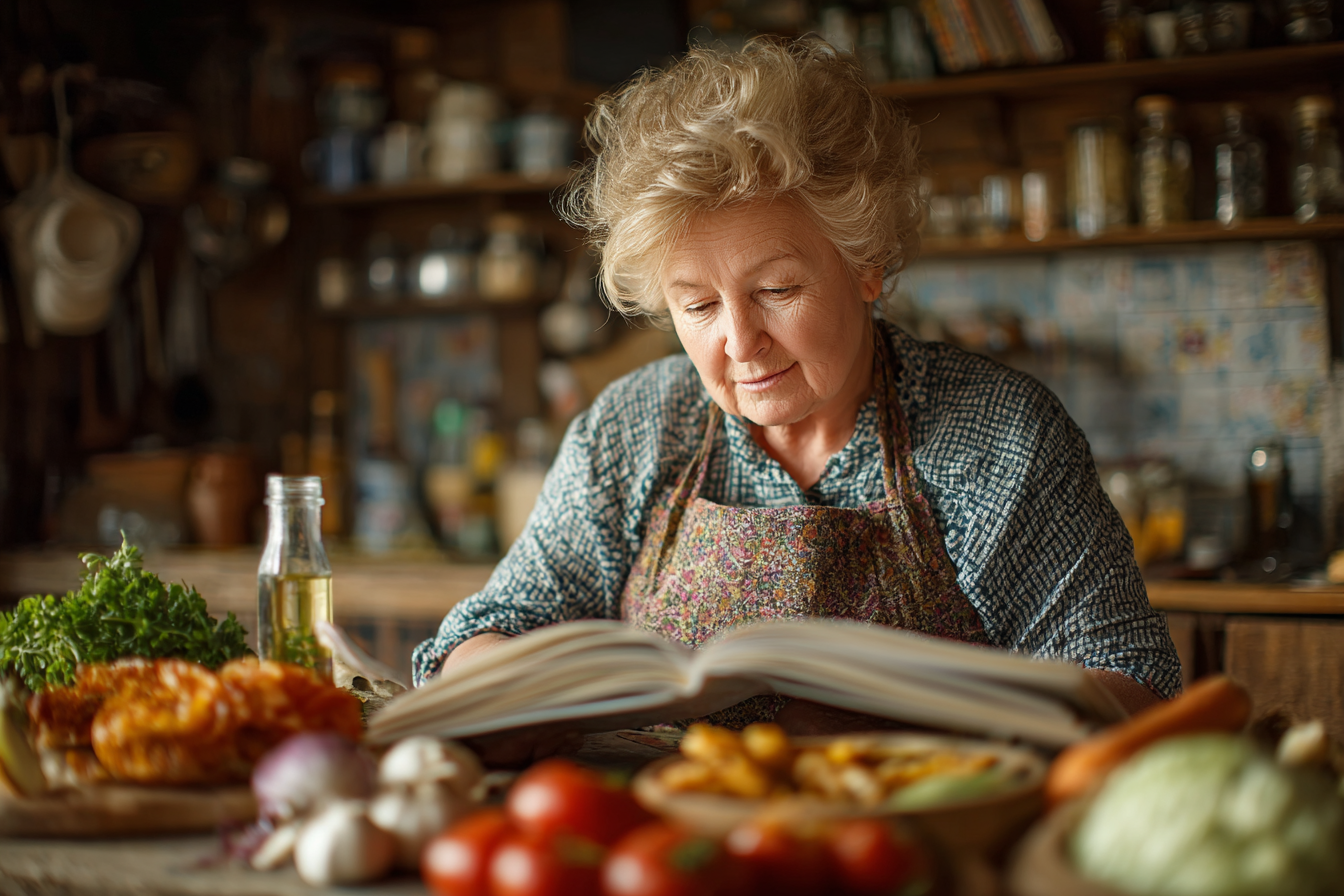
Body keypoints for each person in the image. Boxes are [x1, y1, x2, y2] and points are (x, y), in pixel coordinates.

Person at [412, 37, 1180, 741]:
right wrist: (500, 686)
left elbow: (1133, 686)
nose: (740, 345)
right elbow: (482, 637)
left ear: (867, 263)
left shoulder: (994, 433)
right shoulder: (635, 426)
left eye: (778, 289)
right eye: (700, 306)